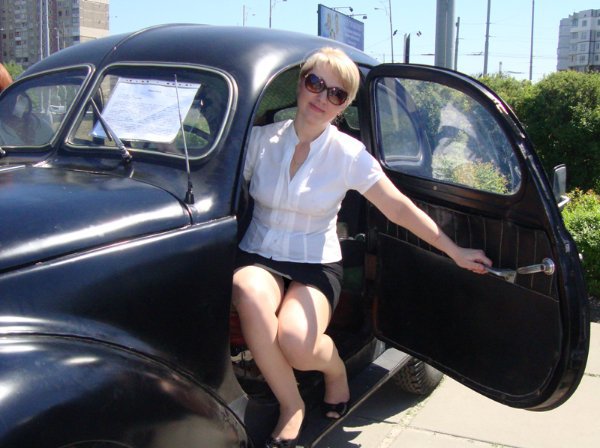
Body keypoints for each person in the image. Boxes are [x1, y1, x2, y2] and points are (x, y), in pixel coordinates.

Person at [232, 47, 492, 448]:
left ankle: (334, 370)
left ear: (345, 105)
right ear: (300, 83)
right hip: (259, 253)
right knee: (247, 292)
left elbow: (397, 207)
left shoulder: (348, 154)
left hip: (313, 262)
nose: (322, 97)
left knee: (297, 344)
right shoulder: (260, 141)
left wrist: (453, 250)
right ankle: (292, 404)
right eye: (315, 83)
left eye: (336, 93)